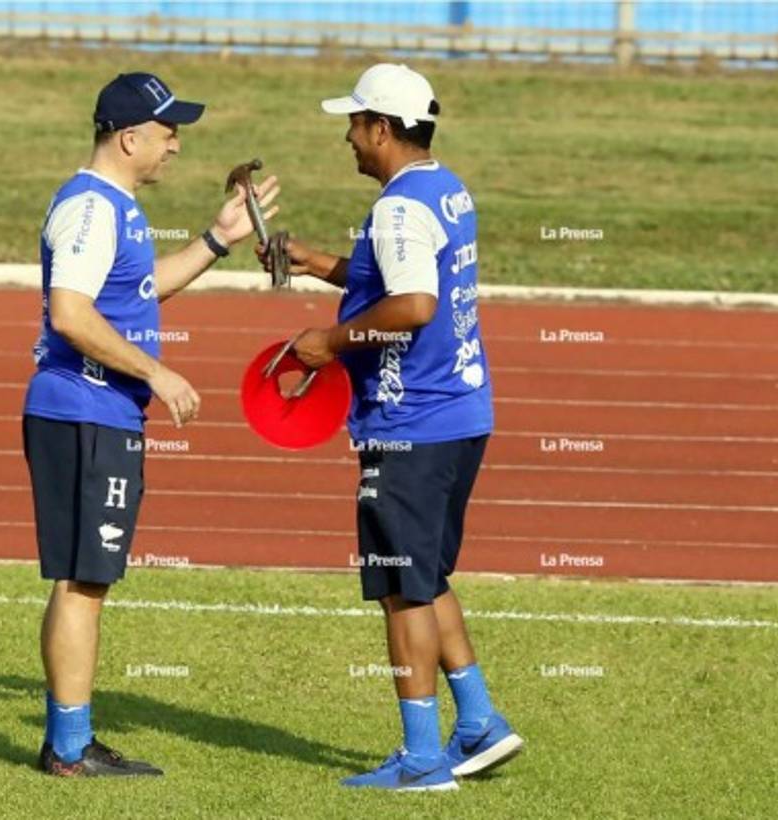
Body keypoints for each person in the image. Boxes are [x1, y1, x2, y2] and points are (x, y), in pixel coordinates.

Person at [260, 63, 521, 792]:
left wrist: (327, 341)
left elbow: (412, 306)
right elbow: (398, 281)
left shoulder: (399, 209)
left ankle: (422, 758)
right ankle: (478, 723)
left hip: (412, 422)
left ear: (382, 127)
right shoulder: (446, 187)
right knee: (427, 573)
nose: (347, 137)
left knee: (401, 588)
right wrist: (322, 265)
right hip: (462, 413)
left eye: (354, 123)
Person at [24, 71, 278, 777]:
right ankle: (69, 748)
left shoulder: (116, 206)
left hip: (101, 415)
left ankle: (71, 739)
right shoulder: (90, 208)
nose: (175, 146)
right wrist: (155, 371)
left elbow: (136, 288)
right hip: (82, 412)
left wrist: (217, 240)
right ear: (128, 137)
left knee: (88, 577)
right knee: (83, 579)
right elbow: (69, 313)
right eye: (168, 133)